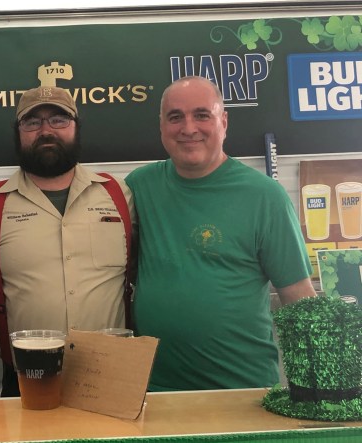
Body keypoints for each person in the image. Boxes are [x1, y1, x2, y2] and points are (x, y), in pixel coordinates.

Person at [125, 76, 316, 392]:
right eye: (176, 117)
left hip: (244, 391)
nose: (188, 128)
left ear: (223, 122)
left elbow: (298, 297)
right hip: (155, 392)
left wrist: (321, 385)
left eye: (202, 115)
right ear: (161, 127)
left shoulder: (265, 197)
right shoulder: (139, 187)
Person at [0, 86, 134, 397]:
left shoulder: (120, 194)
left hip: (111, 377)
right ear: (17, 132)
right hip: (28, 379)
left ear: (76, 126)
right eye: (32, 123)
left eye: (59, 120)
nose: (46, 131)